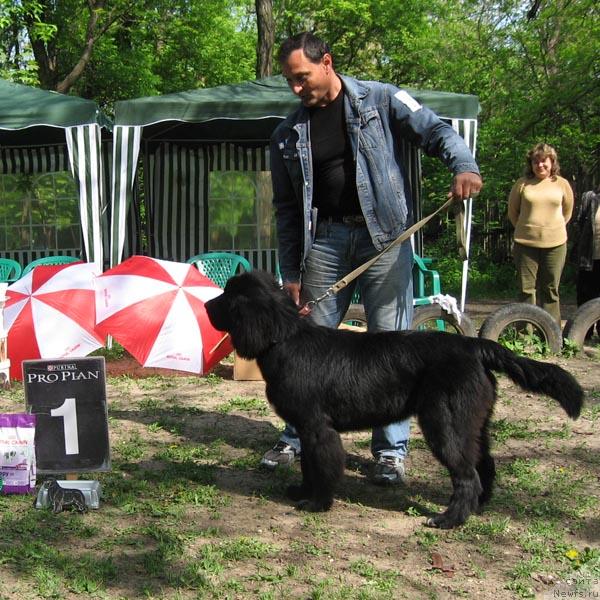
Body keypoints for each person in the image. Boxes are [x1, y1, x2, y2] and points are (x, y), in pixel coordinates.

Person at [263, 32, 482, 484]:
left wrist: (464, 165)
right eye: (289, 81)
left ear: (327, 62)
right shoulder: (288, 133)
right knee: (308, 344)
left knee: (393, 343)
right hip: (322, 242)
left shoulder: (381, 99)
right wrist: (290, 271)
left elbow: (436, 129)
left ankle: (390, 452)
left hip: (384, 239)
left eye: (301, 78)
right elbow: (286, 210)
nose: (296, 89)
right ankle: (300, 436)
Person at [507, 143, 574, 325]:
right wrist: (527, 229)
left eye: (544, 161)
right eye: (535, 162)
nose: (540, 165)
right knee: (526, 289)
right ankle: (525, 333)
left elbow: (567, 212)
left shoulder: (562, 184)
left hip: (556, 244)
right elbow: (513, 212)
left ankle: (551, 333)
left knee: (550, 289)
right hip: (525, 244)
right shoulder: (522, 184)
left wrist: (553, 229)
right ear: (531, 164)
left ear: (552, 162)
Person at [574, 185, 600, 337]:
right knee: (585, 293)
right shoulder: (589, 196)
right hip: (589, 255)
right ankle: (585, 333)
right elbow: (579, 223)